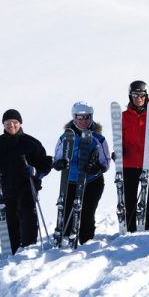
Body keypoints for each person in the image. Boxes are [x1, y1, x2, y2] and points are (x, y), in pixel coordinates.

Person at [0, 109, 52, 254]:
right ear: (3, 125)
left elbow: (46, 163)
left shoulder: (31, 143)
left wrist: (36, 172)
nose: (11, 125)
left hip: (27, 188)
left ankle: (28, 249)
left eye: (14, 122)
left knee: (27, 218)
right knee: (11, 221)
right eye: (7, 123)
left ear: (20, 123)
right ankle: (13, 251)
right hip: (6, 189)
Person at [53, 102, 110, 244]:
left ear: (91, 117)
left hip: (92, 182)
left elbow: (106, 162)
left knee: (86, 214)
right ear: (74, 117)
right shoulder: (65, 138)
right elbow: (57, 157)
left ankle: (86, 242)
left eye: (86, 117)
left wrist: (97, 167)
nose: (83, 120)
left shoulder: (98, 138)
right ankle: (65, 240)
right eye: (80, 117)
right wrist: (59, 163)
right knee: (67, 213)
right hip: (70, 181)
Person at [120, 80, 149, 231]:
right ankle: (130, 229)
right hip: (130, 165)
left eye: (141, 95)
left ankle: (148, 228)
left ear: (146, 96)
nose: (138, 98)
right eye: (135, 95)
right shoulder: (123, 117)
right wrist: (119, 152)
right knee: (130, 201)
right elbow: (118, 138)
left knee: (148, 200)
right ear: (130, 96)